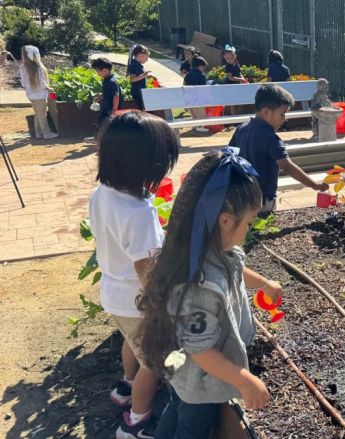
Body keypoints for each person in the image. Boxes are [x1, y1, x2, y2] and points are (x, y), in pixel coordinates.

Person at [137, 148, 281, 438]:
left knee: (176, 407)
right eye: (249, 222)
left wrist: (264, 283)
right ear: (226, 221)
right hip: (200, 381)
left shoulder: (205, 249)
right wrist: (244, 380)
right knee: (192, 425)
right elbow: (199, 349)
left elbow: (237, 270)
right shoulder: (199, 288)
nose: (250, 228)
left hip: (181, 368)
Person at [88, 111, 180, 438]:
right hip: (138, 300)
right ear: (146, 166)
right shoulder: (139, 214)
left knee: (133, 342)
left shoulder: (103, 193)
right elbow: (146, 270)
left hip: (115, 295)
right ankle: (136, 421)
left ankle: (125, 387)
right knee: (154, 362)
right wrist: (165, 306)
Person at [229, 84, 328, 215]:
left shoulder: (241, 129)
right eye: (282, 114)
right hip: (262, 199)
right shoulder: (271, 138)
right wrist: (313, 184)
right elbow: (287, 166)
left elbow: (229, 155)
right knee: (263, 228)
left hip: (241, 197)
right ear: (266, 112)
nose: (284, 119)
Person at [18, 45, 58, 139]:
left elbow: (23, 84)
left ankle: (38, 133)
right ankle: (46, 134)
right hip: (40, 95)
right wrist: (50, 89)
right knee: (42, 115)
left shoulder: (22, 67)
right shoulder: (39, 68)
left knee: (37, 114)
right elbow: (43, 83)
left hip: (31, 95)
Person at [86, 57, 122, 143]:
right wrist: (101, 96)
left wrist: (114, 110)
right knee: (102, 122)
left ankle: (98, 138)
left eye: (98, 71)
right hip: (107, 108)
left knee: (103, 123)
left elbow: (116, 96)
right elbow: (109, 92)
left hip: (110, 109)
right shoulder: (106, 80)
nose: (97, 73)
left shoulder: (111, 81)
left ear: (105, 70)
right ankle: (99, 138)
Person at [183, 56, 210, 133]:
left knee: (194, 114)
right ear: (200, 66)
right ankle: (200, 126)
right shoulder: (202, 76)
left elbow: (184, 85)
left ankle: (195, 125)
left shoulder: (187, 75)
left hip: (189, 100)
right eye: (203, 67)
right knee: (202, 115)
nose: (204, 69)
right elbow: (204, 89)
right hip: (198, 100)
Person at [127, 44, 154, 110]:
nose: (147, 60)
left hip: (140, 92)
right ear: (140, 55)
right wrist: (144, 75)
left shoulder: (138, 64)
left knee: (144, 109)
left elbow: (139, 76)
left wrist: (146, 76)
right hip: (137, 92)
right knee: (141, 110)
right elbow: (132, 79)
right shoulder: (134, 65)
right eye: (146, 57)